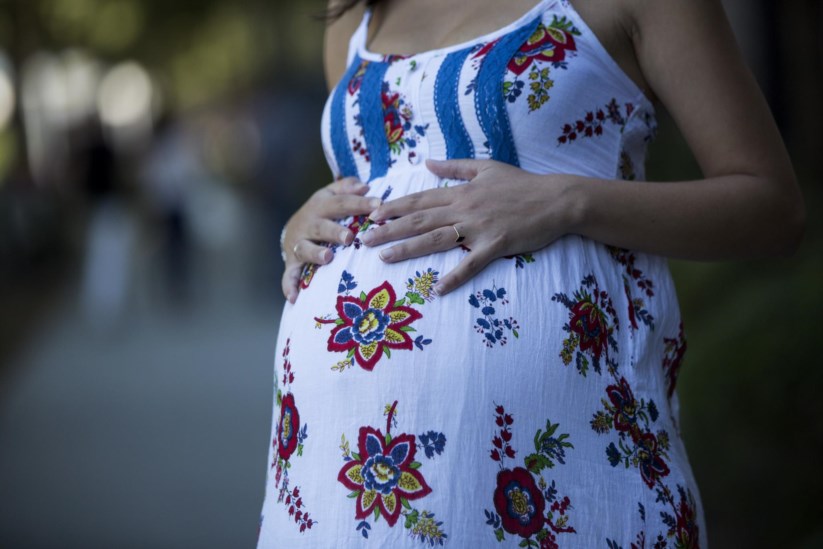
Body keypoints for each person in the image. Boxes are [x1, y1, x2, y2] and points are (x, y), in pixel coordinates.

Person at [257, 0, 805, 546]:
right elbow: (377, 184)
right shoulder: (354, 13)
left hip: (564, 475)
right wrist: (300, 226)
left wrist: (567, 201)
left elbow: (773, 209)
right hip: (335, 474)